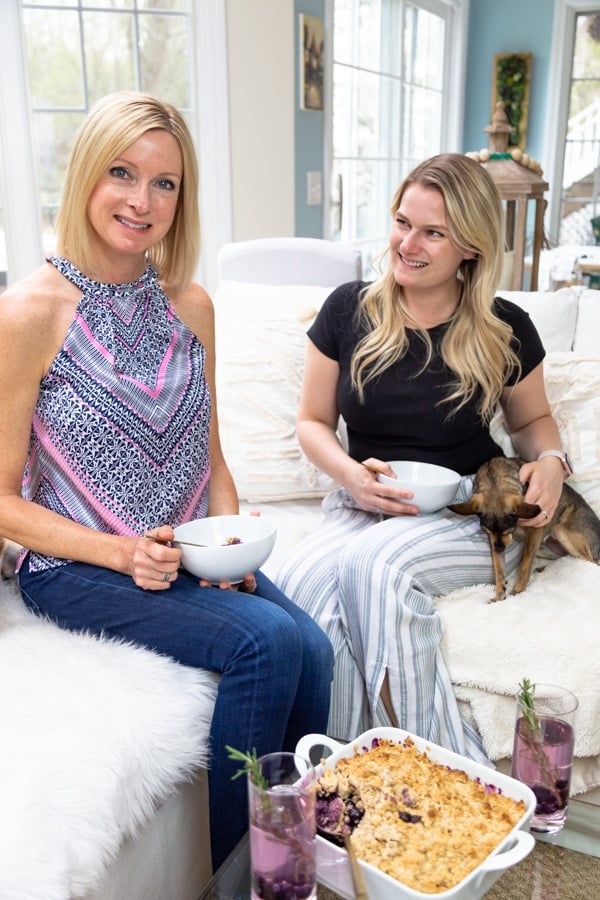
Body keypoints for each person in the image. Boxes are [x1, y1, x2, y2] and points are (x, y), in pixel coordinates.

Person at [0, 91, 333, 870]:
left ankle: (301, 856)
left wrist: (229, 548)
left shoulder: (193, 306)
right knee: (269, 644)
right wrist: (120, 555)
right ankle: (244, 877)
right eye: (122, 172)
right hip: (80, 568)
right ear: (86, 175)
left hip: (188, 551)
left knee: (312, 647)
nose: (141, 200)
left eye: (165, 183)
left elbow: (212, 459)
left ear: (183, 201)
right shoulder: (30, 315)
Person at [275, 153, 567, 764]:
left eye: (432, 232)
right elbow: (311, 423)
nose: (407, 243)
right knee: (300, 593)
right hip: (368, 497)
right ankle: (342, 779)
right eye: (402, 222)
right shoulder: (347, 310)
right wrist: (352, 477)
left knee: (375, 568)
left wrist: (552, 462)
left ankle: (442, 774)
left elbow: (533, 423)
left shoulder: (503, 325)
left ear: (471, 245)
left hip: (472, 505)